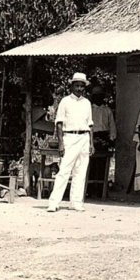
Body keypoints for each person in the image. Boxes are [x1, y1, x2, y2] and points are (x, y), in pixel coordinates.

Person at [47, 72, 94, 212]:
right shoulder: (65, 101)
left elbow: (90, 124)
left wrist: (91, 143)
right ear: (72, 86)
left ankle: (76, 202)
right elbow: (59, 123)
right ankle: (54, 202)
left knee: (80, 171)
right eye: (77, 85)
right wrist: (61, 143)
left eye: (82, 86)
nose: (79, 88)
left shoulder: (87, 103)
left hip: (84, 138)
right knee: (64, 171)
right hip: (70, 138)